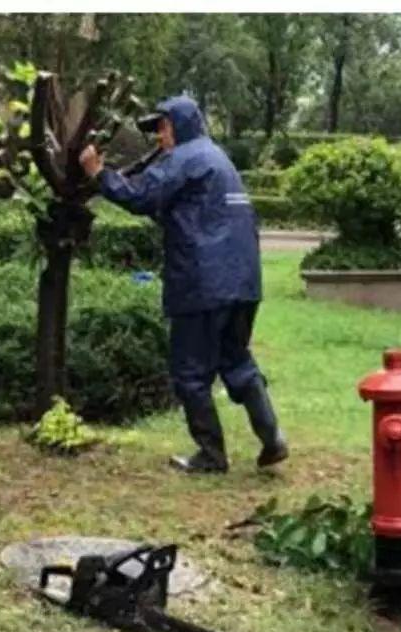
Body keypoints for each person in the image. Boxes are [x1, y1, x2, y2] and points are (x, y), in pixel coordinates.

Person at [80, 94, 287, 475]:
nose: (159, 136)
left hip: (202, 283)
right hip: (243, 282)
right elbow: (189, 212)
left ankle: (211, 455)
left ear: (179, 124)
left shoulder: (184, 159)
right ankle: (272, 437)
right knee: (236, 359)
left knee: (190, 373)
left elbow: (140, 196)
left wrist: (99, 174)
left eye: (162, 126)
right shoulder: (217, 158)